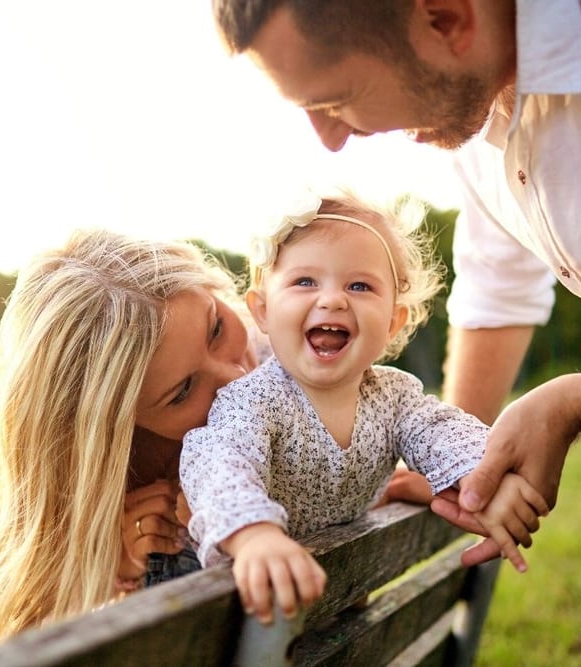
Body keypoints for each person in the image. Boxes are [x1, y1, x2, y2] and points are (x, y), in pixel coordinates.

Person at [210, 2, 581, 664]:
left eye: (337, 99)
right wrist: (468, 470)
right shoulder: (475, 109)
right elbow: (497, 286)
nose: (330, 140)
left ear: (445, 18)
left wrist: (576, 400)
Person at [0, 226, 434, 655]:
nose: (234, 374)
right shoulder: (126, 494)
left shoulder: (295, 365)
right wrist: (112, 566)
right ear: (121, 430)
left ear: (219, 291)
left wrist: (367, 481)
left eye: (215, 328)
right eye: (182, 390)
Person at [180, 190, 548, 624]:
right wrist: (253, 534)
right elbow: (218, 462)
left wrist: (484, 478)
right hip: (248, 607)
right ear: (262, 311)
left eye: (359, 285)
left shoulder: (394, 398)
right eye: (305, 281)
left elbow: (443, 431)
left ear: (393, 321)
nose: (333, 299)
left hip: (331, 603)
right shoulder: (255, 401)